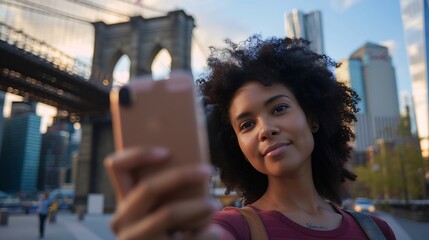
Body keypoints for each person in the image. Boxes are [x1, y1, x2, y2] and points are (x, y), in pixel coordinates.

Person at [104, 35, 396, 239]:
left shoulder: (376, 231)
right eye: (245, 125)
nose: (264, 129)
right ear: (237, 146)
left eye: (279, 108)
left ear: (312, 119)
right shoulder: (232, 228)